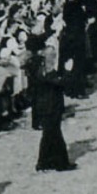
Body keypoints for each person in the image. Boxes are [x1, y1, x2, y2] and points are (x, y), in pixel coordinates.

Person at [24, 35, 74, 172]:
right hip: (51, 104)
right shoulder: (43, 65)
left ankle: (48, 162)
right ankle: (57, 163)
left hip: (42, 104)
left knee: (51, 134)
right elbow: (58, 82)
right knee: (52, 134)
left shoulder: (32, 64)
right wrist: (68, 71)